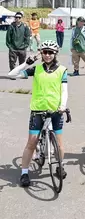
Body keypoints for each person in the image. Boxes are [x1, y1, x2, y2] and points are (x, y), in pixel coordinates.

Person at [7, 40, 68, 186]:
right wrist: (26, 63)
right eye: (44, 52)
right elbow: (11, 75)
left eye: (50, 52)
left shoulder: (62, 70)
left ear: (55, 53)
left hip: (55, 111)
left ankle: (60, 166)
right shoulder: (36, 69)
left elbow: (64, 90)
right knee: (31, 143)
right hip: (37, 111)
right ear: (41, 53)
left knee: (59, 145)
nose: (47, 55)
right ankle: (24, 173)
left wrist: (63, 106)